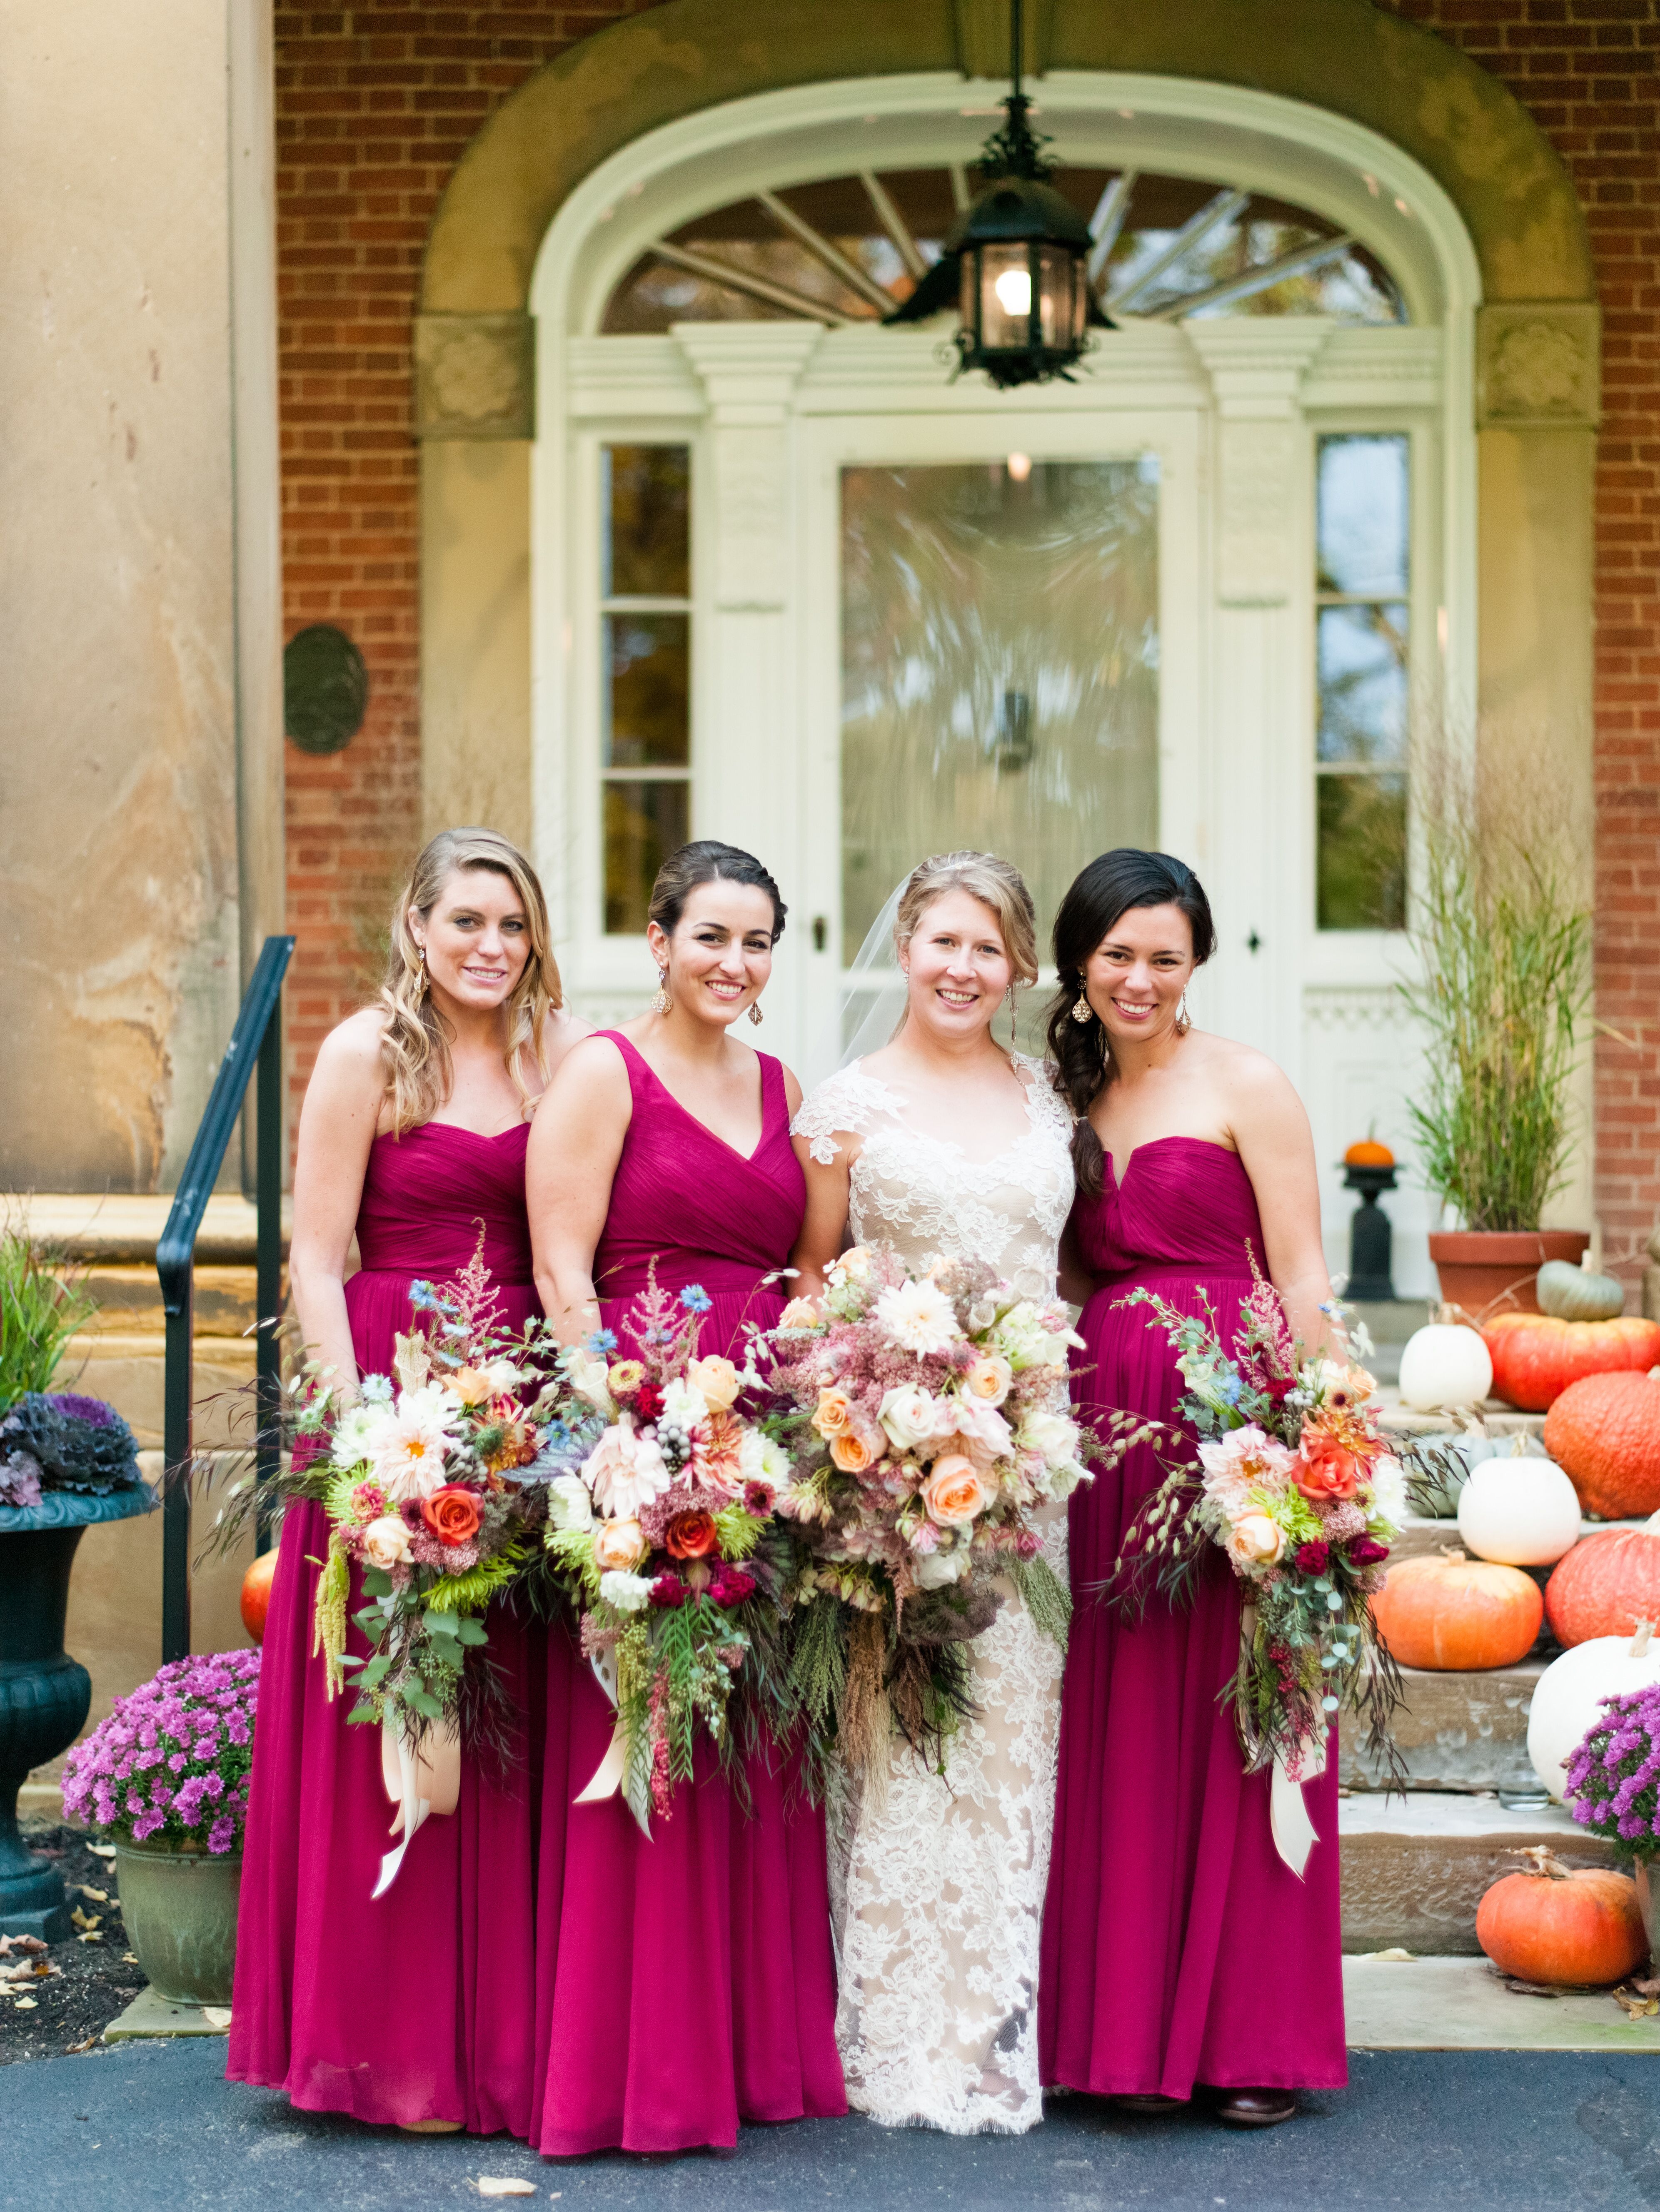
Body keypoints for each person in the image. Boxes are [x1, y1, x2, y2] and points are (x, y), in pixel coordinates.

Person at [229, 827, 588, 2135]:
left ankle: (505, 2041)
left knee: (509, 1699)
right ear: (417, 926)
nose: (489, 948)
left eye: (512, 925)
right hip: (390, 1395)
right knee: (388, 1698)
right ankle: (385, 2045)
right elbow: (315, 1257)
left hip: (523, 1399)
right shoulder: (367, 1054)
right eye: (467, 923)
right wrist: (365, 1432)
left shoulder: (564, 1058)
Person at [524, 838, 844, 2159]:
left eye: (756, 940)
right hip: (637, 1436)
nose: (733, 961)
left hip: (756, 1441)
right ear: (657, 941)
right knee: (646, 1712)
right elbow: (559, 1267)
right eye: (709, 935)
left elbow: (815, 1267)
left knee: (747, 1729)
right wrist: (625, 1430)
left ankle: (751, 2054)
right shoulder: (604, 1073)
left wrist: (793, 1398)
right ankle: (628, 2068)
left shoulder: (787, 1087)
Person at [1037, 847, 1347, 2128]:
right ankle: (1116, 2041)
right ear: (1078, 962)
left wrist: (1314, 1458)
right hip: (1107, 1443)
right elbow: (1054, 1277)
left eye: (1164, 957)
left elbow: (1305, 1278)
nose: (1139, 978)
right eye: (1116, 954)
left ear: (1197, 964)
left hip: (1231, 1431)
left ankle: (1247, 2041)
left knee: (1238, 1710)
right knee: (1122, 1719)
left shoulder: (1246, 1083)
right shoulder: (1056, 1103)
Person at [790, 850, 1074, 2137]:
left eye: (990, 948)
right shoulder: (844, 1106)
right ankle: (893, 2020)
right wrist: (864, 1422)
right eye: (942, 942)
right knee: (904, 1725)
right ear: (904, 945)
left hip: (1041, 1448)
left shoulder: (1051, 1095)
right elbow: (811, 1281)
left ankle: (1006, 2014)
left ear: (1020, 968)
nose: (964, 968)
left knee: (1020, 1726)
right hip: (898, 1456)